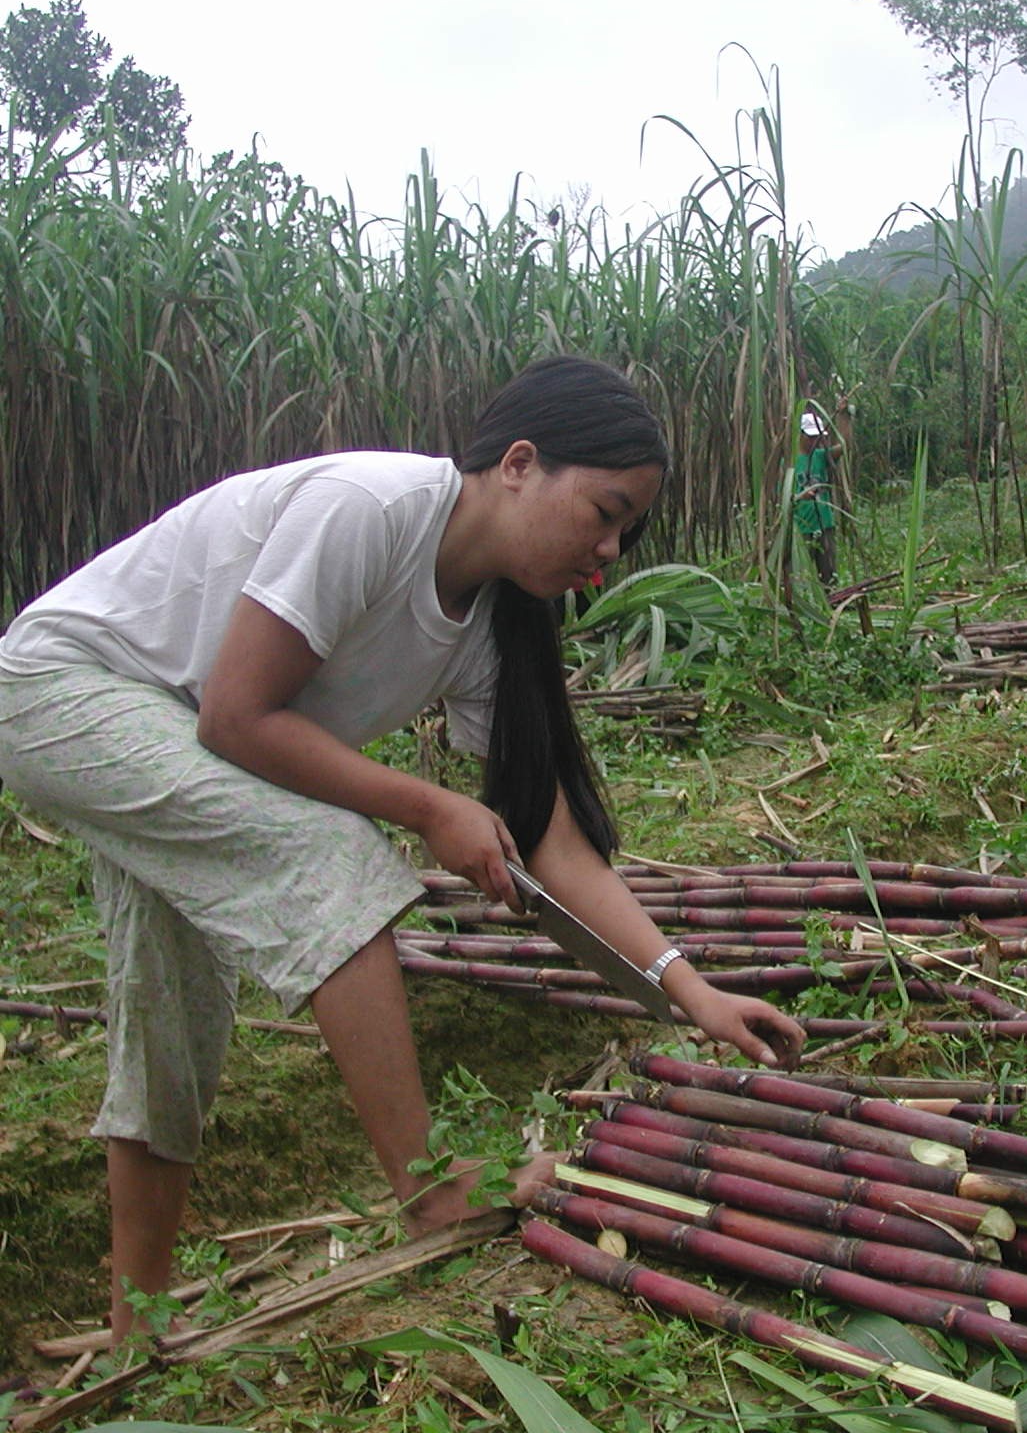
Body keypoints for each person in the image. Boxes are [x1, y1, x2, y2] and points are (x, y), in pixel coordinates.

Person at [0, 354, 804, 1344]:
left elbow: (549, 835)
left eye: (627, 531)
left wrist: (690, 988)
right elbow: (237, 718)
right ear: (518, 464)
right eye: (603, 511)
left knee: (172, 1014)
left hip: (155, 722)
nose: (609, 549)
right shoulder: (370, 510)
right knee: (332, 854)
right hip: (62, 690)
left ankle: (136, 1328)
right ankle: (430, 1188)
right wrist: (427, 807)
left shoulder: (493, 623)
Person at [792, 406, 843, 586]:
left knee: (829, 573)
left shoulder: (822, 457)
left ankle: (832, 605)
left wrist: (843, 415)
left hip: (825, 524)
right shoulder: (789, 462)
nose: (814, 441)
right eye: (810, 437)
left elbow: (842, 446)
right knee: (801, 576)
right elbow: (782, 499)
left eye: (817, 437)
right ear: (800, 435)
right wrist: (801, 496)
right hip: (801, 528)